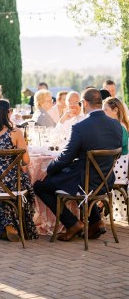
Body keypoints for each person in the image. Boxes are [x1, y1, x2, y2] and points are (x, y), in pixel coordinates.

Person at [34, 88, 123, 241]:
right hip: (106, 181)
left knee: (40, 186)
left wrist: (50, 169)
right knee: (84, 179)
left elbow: (65, 158)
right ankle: (96, 221)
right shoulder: (116, 125)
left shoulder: (81, 127)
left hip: (85, 181)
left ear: (85, 103)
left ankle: (73, 223)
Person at [0, 99, 38, 241]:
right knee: (21, 184)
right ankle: (11, 225)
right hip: (10, 182)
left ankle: (5, 226)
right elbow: (26, 160)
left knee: (1, 185)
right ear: (7, 113)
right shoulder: (15, 132)